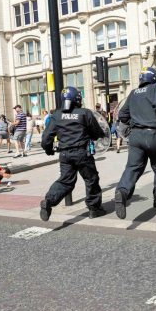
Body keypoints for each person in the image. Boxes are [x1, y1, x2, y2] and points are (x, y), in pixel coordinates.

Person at [115, 67, 156, 219]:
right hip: (154, 134)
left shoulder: (133, 92)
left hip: (135, 136)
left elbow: (122, 114)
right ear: (154, 77)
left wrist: (134, 124)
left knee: (133, 168)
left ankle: (122, 191)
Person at [40, 87, 107, 220]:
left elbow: (46, 137)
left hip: (65, 154)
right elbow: (96, 133)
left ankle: (49, 201)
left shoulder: (57, 115)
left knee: (65, 181)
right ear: (77, 99)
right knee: (91, 179)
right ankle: (94, 209)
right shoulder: (85, 113)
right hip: (82, 153)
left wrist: (48, 150)